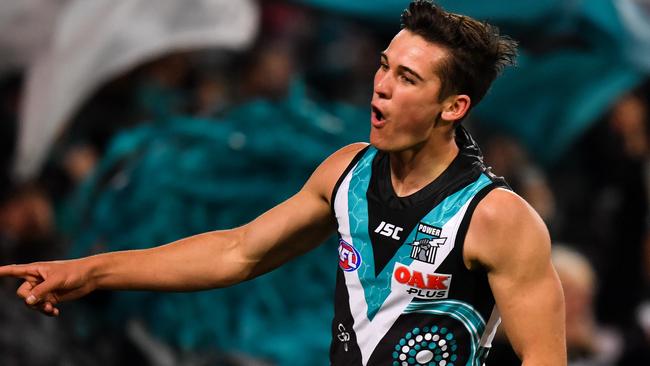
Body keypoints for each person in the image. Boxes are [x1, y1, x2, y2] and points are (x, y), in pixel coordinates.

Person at [0, 1, 566, 365]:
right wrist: (91, 271)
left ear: (453, 107)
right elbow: (237, 252)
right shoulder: (345, 170)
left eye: (407, 78)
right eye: (384, 65)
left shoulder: (498, 219)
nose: (381, 86)